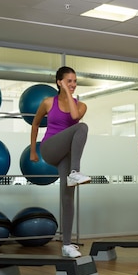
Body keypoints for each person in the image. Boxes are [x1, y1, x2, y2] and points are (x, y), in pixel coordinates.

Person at [30, 66, 91, 258]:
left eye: (74, 81)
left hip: (66, 154)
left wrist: (70, 97)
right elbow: (35, 123)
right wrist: (33, 150)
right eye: (69, 81)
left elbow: (74, 115)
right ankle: (75, 172)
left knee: (67, 197)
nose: (73, 84)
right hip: (50, 148)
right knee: (82, 128)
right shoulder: (48, 102)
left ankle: (66, 245)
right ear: (59, 82)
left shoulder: (81, 105)